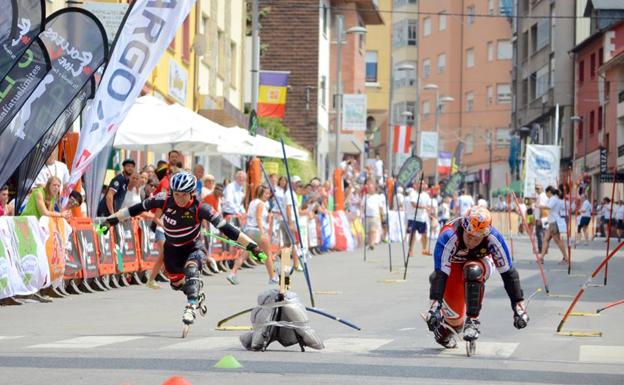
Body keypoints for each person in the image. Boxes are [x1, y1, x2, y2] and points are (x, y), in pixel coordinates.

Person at [103, 172, 266, 325]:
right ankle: (195, 293)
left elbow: (229, 229)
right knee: (176, 284)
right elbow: (134, 209)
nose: (180, 199)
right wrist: (111, 220)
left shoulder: (202, 208)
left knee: (192, 270)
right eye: (177, 194)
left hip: (193, 247)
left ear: (192, 193)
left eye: (184, 194)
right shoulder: (164, 200)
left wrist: (253, 247)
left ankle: (191, 306)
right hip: (172, 250)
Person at [425, 206, 529, 348]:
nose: (472, 242)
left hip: (481, 262)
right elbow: (440, 273)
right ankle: (446, 330)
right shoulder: (449, 235)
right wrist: (435, 306)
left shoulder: (493, 238)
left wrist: (518, 306)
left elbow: (508, 274)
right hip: (453, 267)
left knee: (473, 271)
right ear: (464, 227)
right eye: (469, 236)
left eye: (477, 239)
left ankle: (473, 321)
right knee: (455, 324)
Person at [228, 185, 276, 285]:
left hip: (249, 230)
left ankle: (232, 273)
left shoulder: (252, 202)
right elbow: (258, 218)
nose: (268, 195)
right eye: (266, 193)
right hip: (257, 230)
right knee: (267, 255)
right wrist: (263, 233)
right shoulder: (261, 204)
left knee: (244, 253)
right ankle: (272, 277)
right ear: (261, 193)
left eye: (268, 193)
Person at [538, 186, 568, 265]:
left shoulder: (554, 199)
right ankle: (541, 257)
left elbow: (549, 207)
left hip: (554, 222)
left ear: (549, 192)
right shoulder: (555, 198)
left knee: (558, 241)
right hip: (552, 222)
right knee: (545, 240)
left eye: (546, 193)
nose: (546, 195)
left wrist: (540, 206)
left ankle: (565, 257)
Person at [407, 180, 432, 256]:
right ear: (416, 185)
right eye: (420, 184)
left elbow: (428, 206)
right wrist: (423, 207)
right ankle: (410, 250)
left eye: (423, 184)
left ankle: (424, 249)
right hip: (413, 217)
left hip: (422, 218)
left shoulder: (426, 195)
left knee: (424, 234)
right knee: (412, 234)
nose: (421, 185)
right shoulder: (413, 193)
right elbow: (413, 204)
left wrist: (430, 214)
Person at [364, 179, 384, 250]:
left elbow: (381, 208)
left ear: (374, 188)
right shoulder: (365, 196)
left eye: (371, 187)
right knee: (369, 231)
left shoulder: (378, 197)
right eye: (368, 187)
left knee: (373, 230)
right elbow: (362, 206)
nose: (369, 189)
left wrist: (382, 216)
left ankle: (372, 243)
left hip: (375, 216)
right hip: (367, 216)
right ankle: (370, 243)